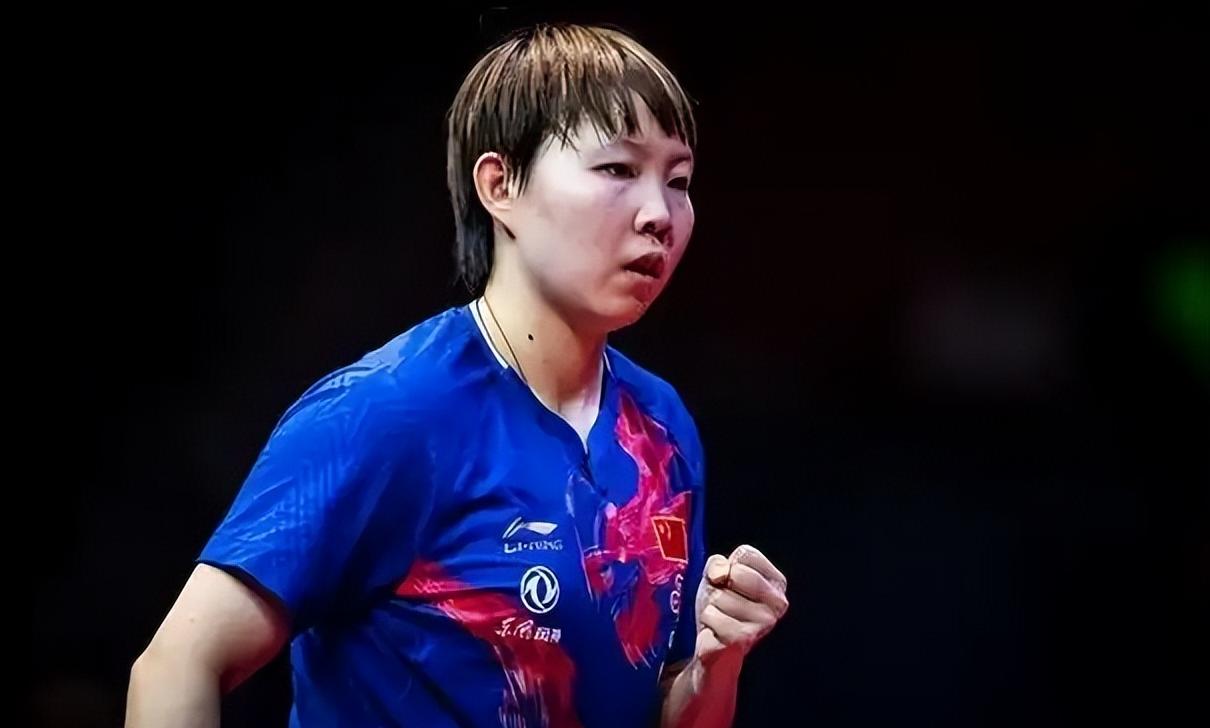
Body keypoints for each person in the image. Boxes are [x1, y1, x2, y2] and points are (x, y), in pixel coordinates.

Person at [126, 22, 788, 727]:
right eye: (618, 170)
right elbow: (175, 666)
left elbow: (662, 706)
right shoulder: (388, 413)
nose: (660, 214)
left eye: (678, 181)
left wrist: (716, 663)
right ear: (500, 186)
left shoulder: (661, 428)